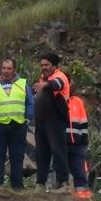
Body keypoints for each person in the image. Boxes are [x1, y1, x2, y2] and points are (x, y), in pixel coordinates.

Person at [0, 57, 33, 190]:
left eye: (9, 68)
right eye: (4, 68)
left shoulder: (22, 83)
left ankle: (17, 187)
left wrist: (28, 118)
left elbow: (30, 102)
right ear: (1, 69)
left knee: (17, 156)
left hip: (18, 125)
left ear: (14, 70)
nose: (6, 71)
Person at [33, 53, 73, 190]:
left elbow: (57, 85)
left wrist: (45, 84)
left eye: (47, 65)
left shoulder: (59, 76)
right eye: (42, 65)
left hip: (55, 120)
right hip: (41, 121)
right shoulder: (43, 79)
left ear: (54, 66)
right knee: (41, 152)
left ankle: (63, 182)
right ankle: (40, 183)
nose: (44, 67)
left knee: (58, 150)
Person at [66, 87, 92, 199]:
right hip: (62, 142)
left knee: (80, 169)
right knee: (61, 169)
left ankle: (83, 195)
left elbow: (83, 122)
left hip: (78, 143)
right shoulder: (57, 100)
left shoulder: (77, 101)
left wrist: (84, 140)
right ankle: (64, 193)